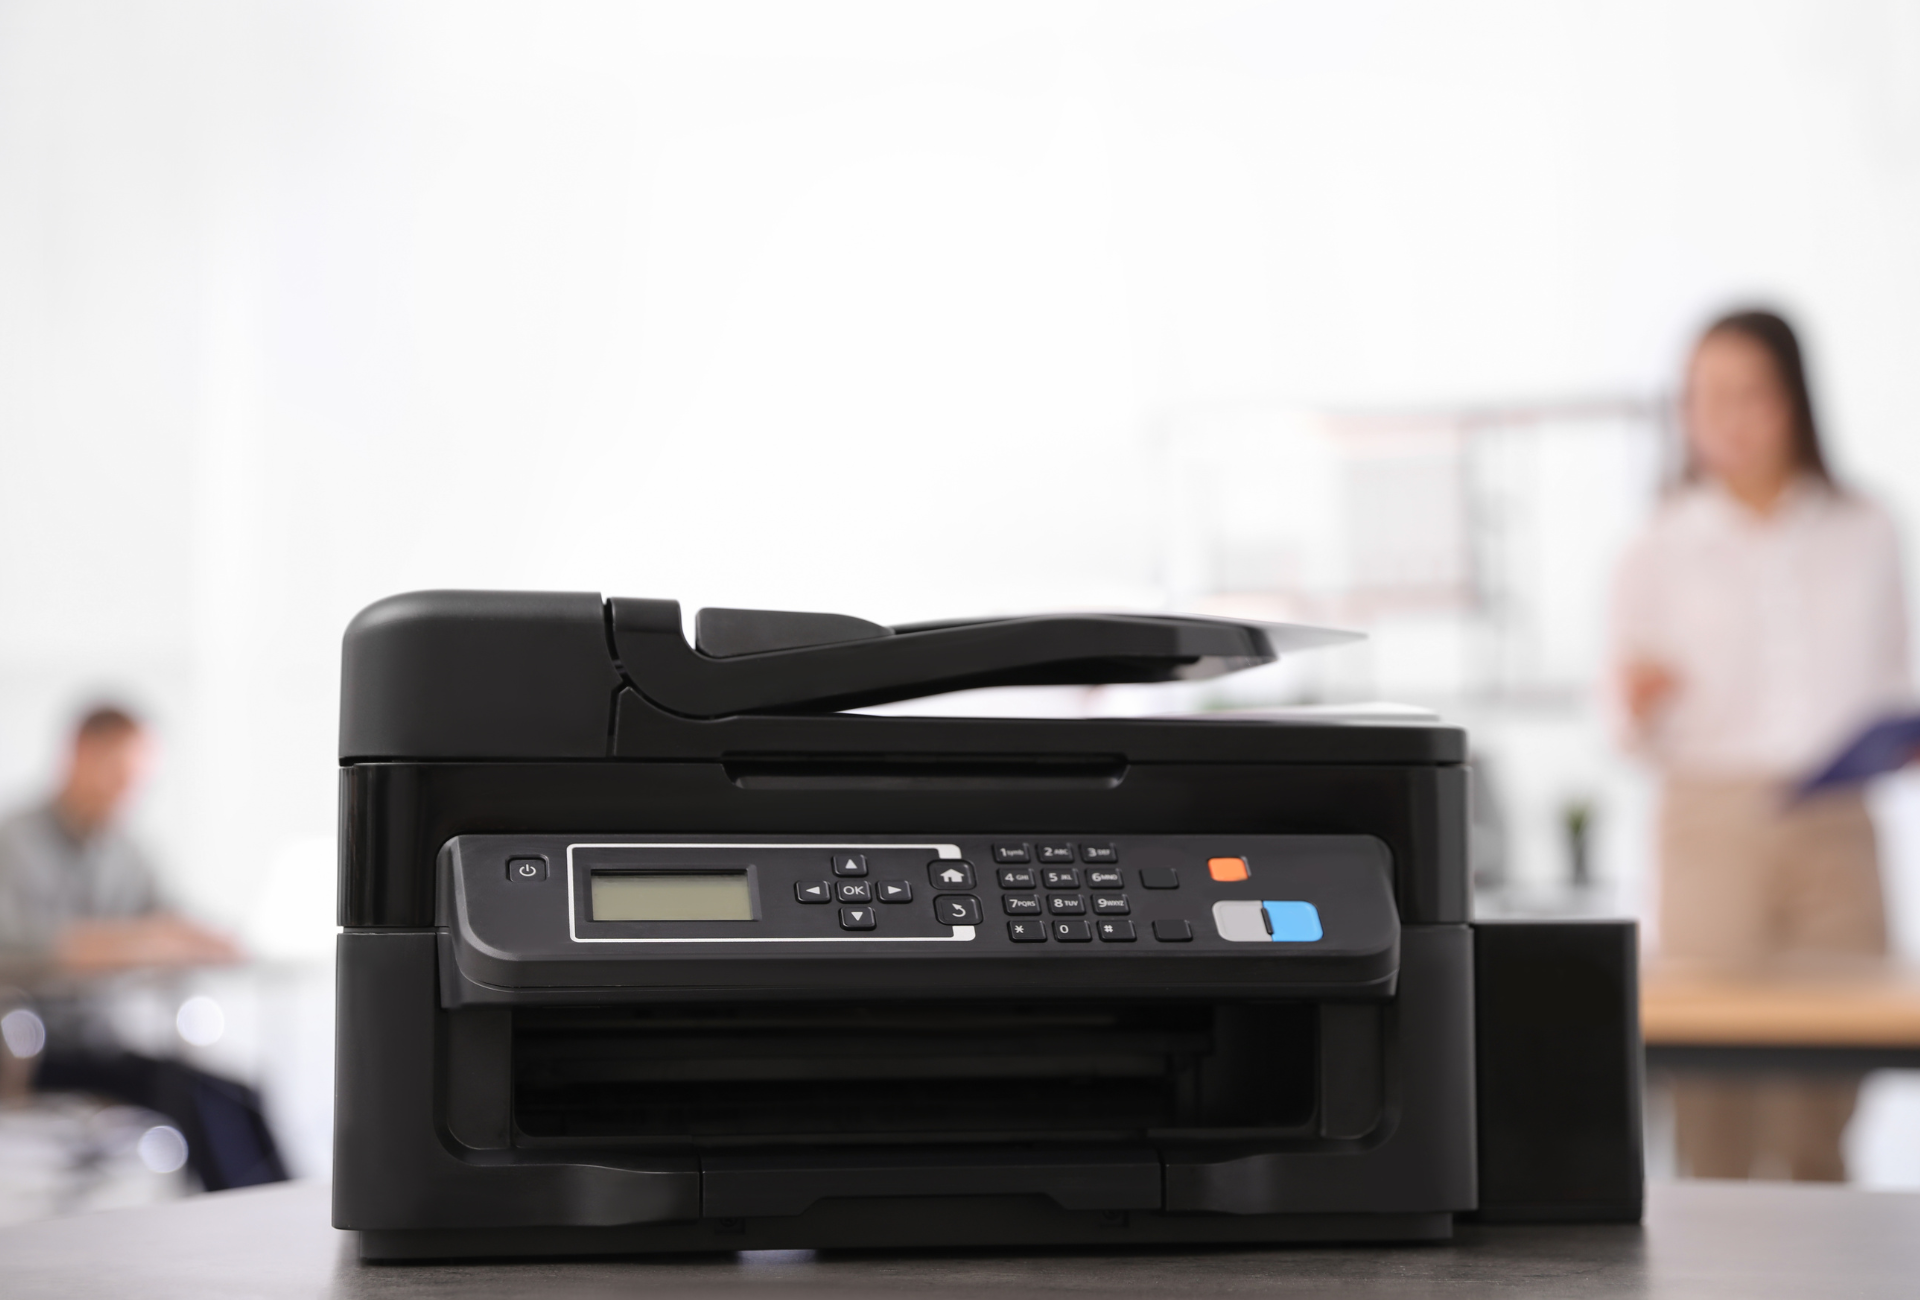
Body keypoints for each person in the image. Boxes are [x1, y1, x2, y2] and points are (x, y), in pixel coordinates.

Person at [1610, 309, 1909, 1181]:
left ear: (1794, 402)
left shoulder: (1867, 528)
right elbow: (1621, 721)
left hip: (1836, 823)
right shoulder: (1656, 547)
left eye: (1750, 394)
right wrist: (1638, 700)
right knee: (1714, 1103)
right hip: (1714, 830)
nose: (1728, 419)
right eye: (1705, 399)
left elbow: (1893, 679)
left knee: (1830, 1088)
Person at [0, 704, 288, 1190]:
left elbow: (172, 916)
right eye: (119, 775)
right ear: (80, 755)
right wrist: (140, 941)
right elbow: (20, 949)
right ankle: (244, 1226)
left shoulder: (123, 849)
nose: (127, 792)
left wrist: (226, 938)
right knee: (189, 1097)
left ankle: (283, 1219)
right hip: (31, 1047)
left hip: (98, 1043)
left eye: (137, 781)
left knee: (239, 1094)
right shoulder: (14, 842)